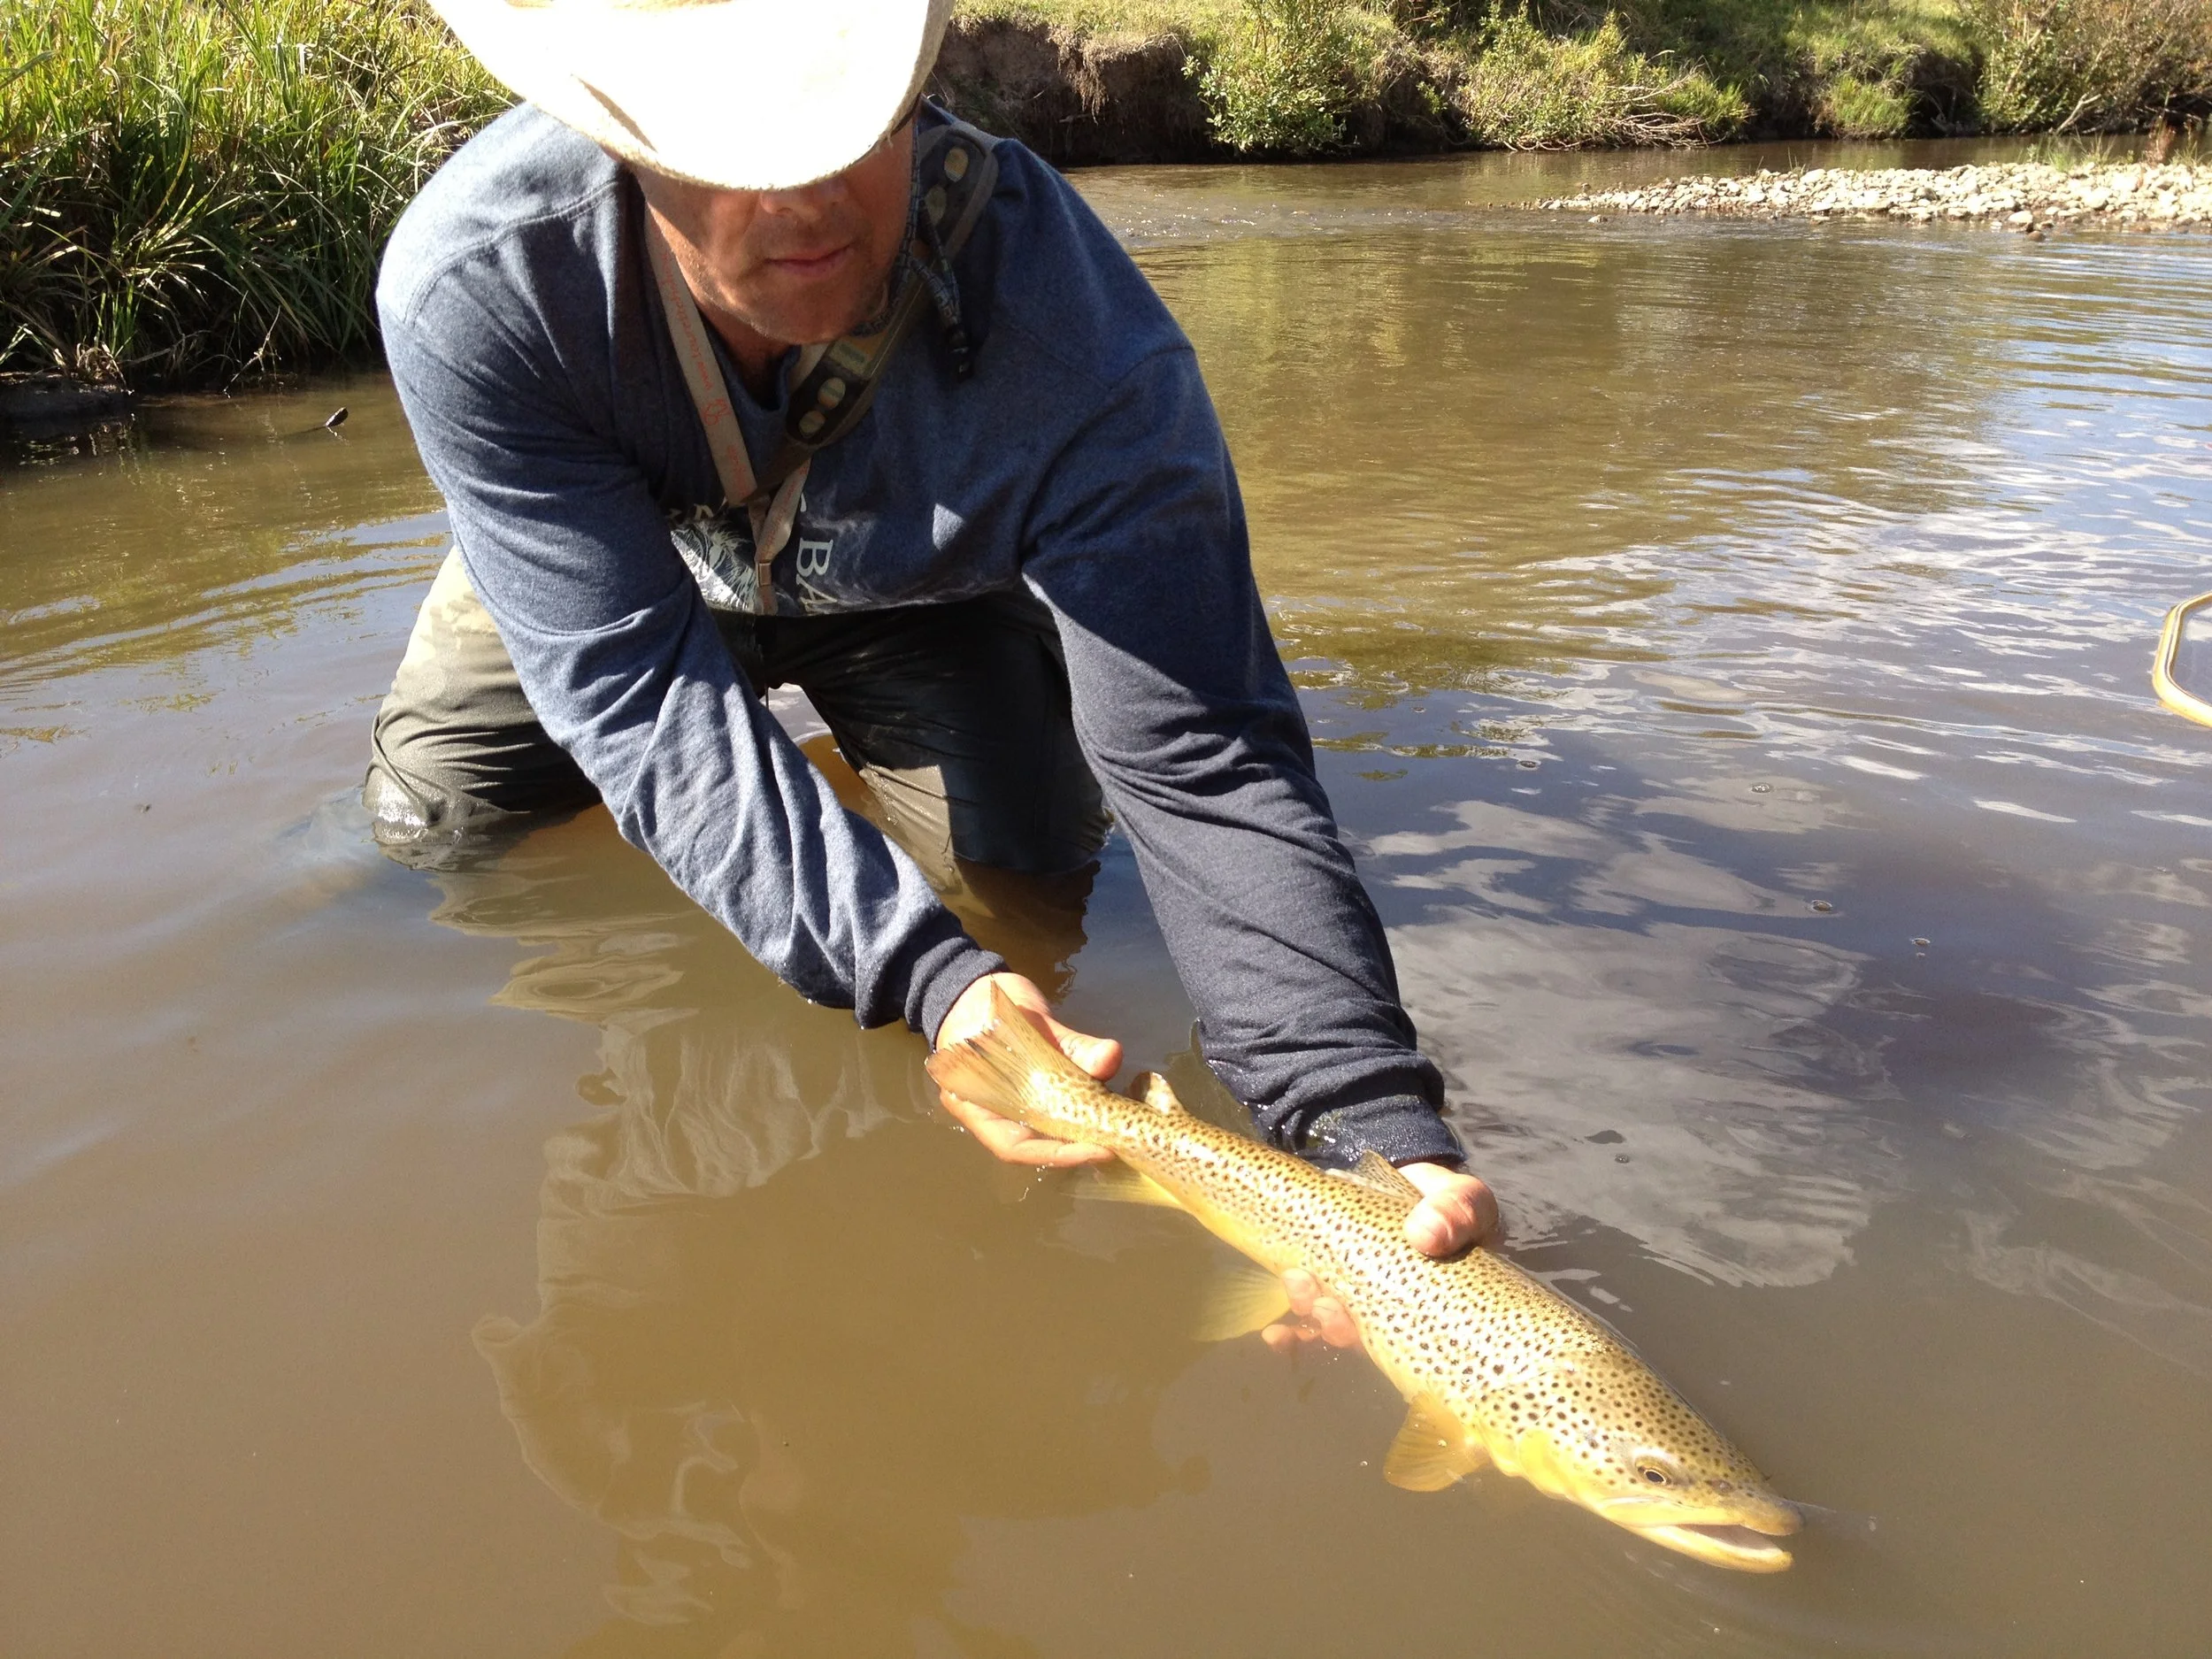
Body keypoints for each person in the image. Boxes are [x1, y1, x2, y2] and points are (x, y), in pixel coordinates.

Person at [365, 0, 1497, 1324]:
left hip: (920, 596)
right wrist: (920, 973)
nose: (800, 198)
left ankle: (801, 819)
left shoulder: (1084, 341)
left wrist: (1357, 1122)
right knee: (435, 823)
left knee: (1014, 887)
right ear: (616, 139)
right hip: (622, 570)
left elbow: (1203, 756)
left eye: (845, 127)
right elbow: (636, 687)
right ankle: (780, 828)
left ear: (911, 87)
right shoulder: (477, 286)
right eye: (726, 150)